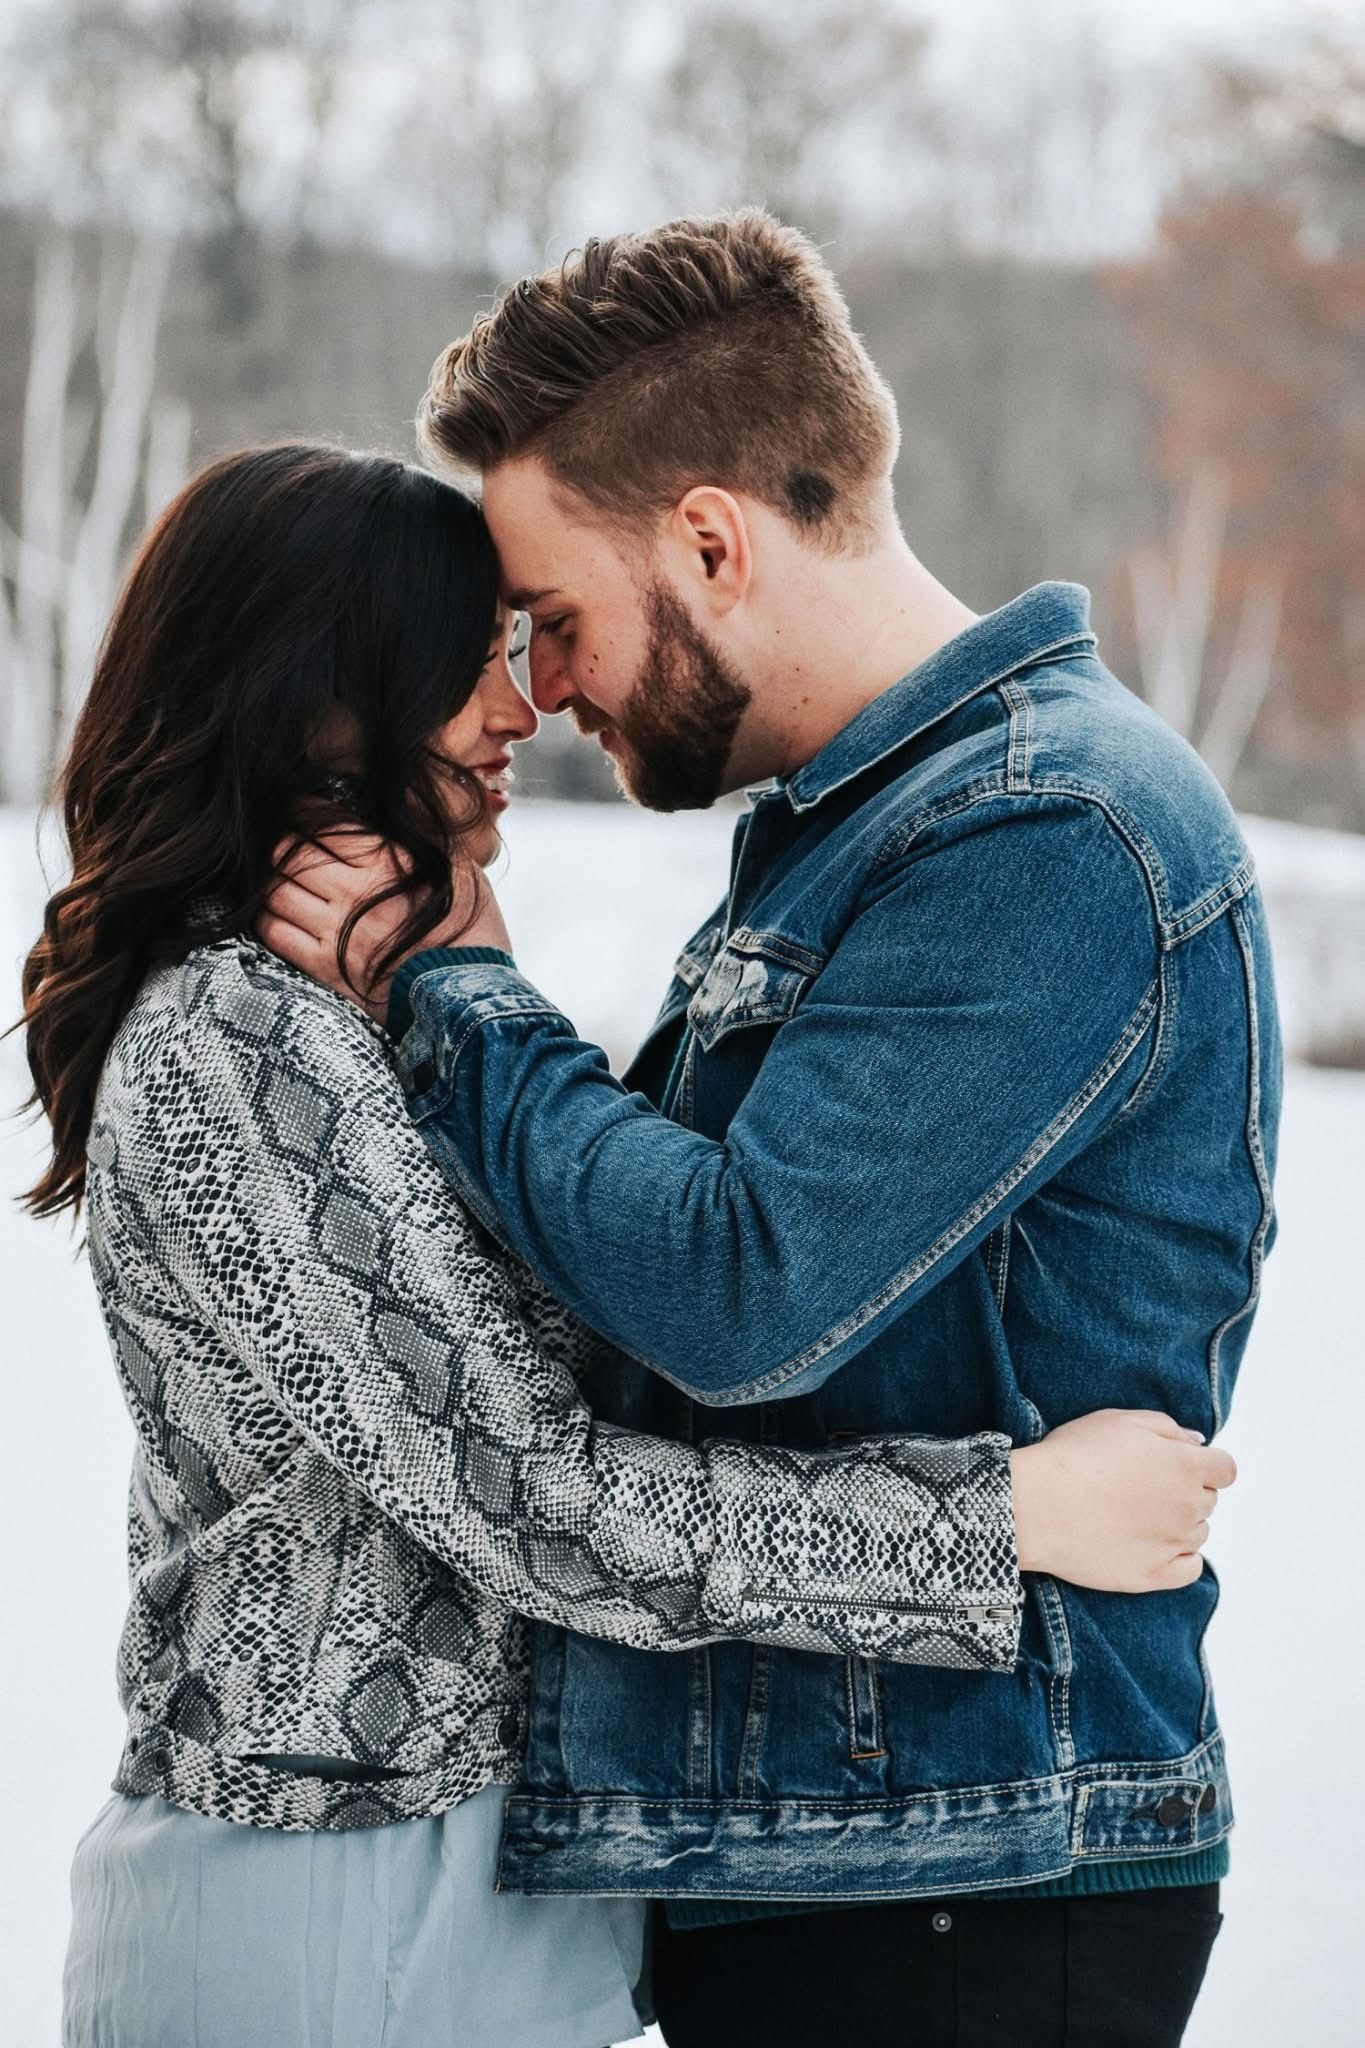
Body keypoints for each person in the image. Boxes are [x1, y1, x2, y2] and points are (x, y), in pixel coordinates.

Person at [16, 443, 1226, 2048]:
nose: (521, 711)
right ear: (328, 699)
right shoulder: (235, 1033)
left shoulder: (355, 1010)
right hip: (329, 1895)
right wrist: (996, 1522)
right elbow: (534, 1498)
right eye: (471, 670)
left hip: (464, 1898)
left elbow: (594, 1356)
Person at [262, 212, 1281, 2048]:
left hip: (966, 1885)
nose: (543, 689)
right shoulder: (862, 834)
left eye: (553, 618)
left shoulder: (1051, 830)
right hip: (850, 1857)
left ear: (711, 539)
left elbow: (736, 1289)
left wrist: (456, 986)